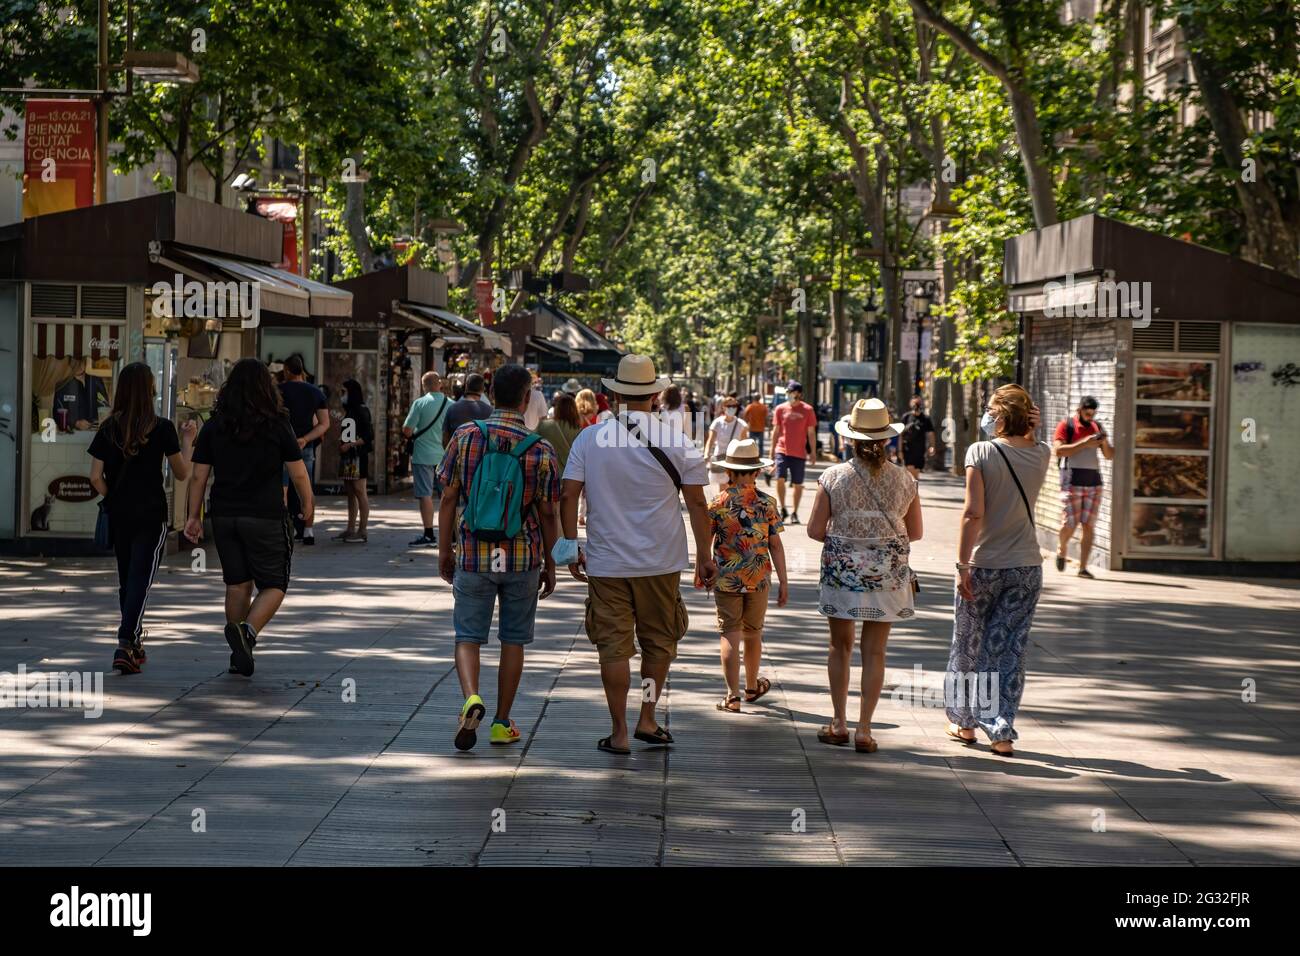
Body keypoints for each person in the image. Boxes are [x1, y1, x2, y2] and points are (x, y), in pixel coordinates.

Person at [559, 354, 716, 754]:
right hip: (661, 561)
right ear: (656, 394)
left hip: (606, 561)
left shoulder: (590, 438)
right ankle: (647, 716)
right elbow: (698, 505)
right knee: (658, 642)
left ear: (613, 395)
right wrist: (704, 556)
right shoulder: (680, 442)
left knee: (612, 646)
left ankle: (619, 732)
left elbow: (567, 493)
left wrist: (569, 545)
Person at [437, 364, 561, 751]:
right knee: (513, 641)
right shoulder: (540, 448)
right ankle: (501, 722)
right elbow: (548, 513)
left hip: (473, 553)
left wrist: (445, 550)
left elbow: (447, 497)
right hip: (522, 558)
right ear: (527, 398)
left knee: (467, 637)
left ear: (491, 392)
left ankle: (471, 696)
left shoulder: (466, 436)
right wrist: (552, 562)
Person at [806, 399, 921, 754]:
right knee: (875, 652)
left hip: (842, 573)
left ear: (850, 439)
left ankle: (838, 722)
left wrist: (849, 540)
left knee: (839, 647)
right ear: (887, 439)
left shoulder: (832, 477)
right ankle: (865, 729)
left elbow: (813, 529)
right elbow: (914, 532)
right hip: (886, 575)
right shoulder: (906, 480)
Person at [187, 358, 313, 677]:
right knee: (274, 583)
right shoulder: (277, 422)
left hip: (225, 514)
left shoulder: (215, 424)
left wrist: (193, 516)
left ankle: (237, 654)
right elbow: (298, 473)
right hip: (265, 515)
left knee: (237, 584)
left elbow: (198, 476)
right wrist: (308, 505)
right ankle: (248, 633)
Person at [947, 384, 1049, 756]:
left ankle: (964, 723)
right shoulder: (1043, 453)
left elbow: (973, 513)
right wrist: (1031, 430)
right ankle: (1001, 729)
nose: (987, 416)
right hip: (1026, 567)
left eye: (991, 409)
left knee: (968, 645)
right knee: (1010, 649)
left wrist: (962, 564)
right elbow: (1031, 446)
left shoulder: (981, 451)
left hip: (984, 564)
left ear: (1002, 417)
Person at [88, 362, 196, 674]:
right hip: (151, 513)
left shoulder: (108, 428)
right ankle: (125, 642)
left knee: (127, 579)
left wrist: (113, 496)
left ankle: (132, 643)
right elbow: (182, 473)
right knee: (141, 580)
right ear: (150, 390)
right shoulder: (162, 427)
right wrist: (188, 441)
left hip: (120, 514)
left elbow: (95, 477)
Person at [705, 438, 787, 713]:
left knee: (729, 633)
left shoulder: (718, 502)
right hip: (759, 578)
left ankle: (732, 696)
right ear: (757, 471)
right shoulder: (767, 503)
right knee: (753, 634)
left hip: (726, 577)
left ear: (728, 471)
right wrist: (784, 582)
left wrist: (699, 570)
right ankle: (752, 686)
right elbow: (775, 544)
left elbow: (706, 541)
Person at [1052, 395, 1113, 578]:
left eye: (1093, 412)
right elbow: (1058, 450)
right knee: (1070, 523)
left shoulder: (1097, 427)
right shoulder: (1067, 425)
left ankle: (1083, 567)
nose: (1090, 415)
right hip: (1071, 480)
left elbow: (1110, 455)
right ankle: (1062, 549)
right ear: (1079, 410)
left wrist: (1103, 442)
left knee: (1088, 526)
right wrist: (1084, 443)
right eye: (1087, 412)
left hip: (1094, 482)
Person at [278, 355, 328, 545]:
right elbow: (324, 424)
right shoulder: (315, 392)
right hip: (303, 446)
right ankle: (308, 530)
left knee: (281, 488)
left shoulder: (277, 391)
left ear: (287, 370)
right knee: (306, 488)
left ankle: (281, 529)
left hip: (281, 446)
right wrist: (306, 439)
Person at [403, 371, 451, 548]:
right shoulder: (451, 404)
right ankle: (451, 534)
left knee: (425, 495)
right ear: (440, 384)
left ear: (424, 386)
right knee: (447, 496)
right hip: (445, 456)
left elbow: (407, 431)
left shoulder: (419, 403)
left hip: (422, 455)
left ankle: (429, 534)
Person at [771, 380, 817, 524]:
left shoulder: (808, 410)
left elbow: (811, 433)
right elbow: (776, 430)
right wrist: (771, 451)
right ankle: (783, 508)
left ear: (799, 394)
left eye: (792, 392)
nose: (790, 395)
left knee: (798, 484)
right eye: (788, 392)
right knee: (780, 478)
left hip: (799, 452)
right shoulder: (780, 409)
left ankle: (795, 512)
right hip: (782, 449)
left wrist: (813, 452)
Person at [335, 379, 373, 543]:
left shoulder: (361, 410)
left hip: (357, 456)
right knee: (350, 491)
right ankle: (350, 528)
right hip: (348, 456)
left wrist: (350, 444)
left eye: (344, 392)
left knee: (359, 491)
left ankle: (362, 530)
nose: (341, 396)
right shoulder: (350, 410)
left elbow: (368, 437)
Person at [702, 394, 749, 496]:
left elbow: (745, 443)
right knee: (723, 488)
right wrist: (706, 454)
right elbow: (710, 441)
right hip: (720, 458)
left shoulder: (742, 425)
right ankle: (723, 509)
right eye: (729, 406)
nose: (731, 409)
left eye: (734, 406)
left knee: (732, 487)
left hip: (735, 459)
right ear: (723, 407)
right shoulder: (717, 423)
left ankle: (729, 508)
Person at [53, 358, 110, 431]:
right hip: (71, 434)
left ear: (85, 362)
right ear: (70, 364)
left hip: (94, 432)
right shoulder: (62, 385)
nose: (79, 365)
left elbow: (105, 407)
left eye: (81, 362)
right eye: (75, 362)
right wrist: (75, 423)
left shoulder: (96, 381)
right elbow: (57, 413)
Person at [535, 391, 584, 471]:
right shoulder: (580, 432)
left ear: (557, 408)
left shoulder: (545, 426)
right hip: (570, 475)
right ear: (575, 409)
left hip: (548, 473)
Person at [442, 373, 492, 445]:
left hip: (457, 454)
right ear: (482, 389)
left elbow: (445, 438)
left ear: (466, 387)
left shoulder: (452, 409)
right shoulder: (490, 411)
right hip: (481, 455)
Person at [899, 396, 936, 480]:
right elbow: (901, 435)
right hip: (908, 449)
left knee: (915, 474)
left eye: (918, 404)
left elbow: (931, 434)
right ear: (911, 404)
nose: (916, 406)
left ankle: (914, 491)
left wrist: (932, 446)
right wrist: (899, 450)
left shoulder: (926, 419)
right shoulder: (906, 417)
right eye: (915, 404)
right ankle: (911, 491)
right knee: (910, 472)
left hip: (920, 450)